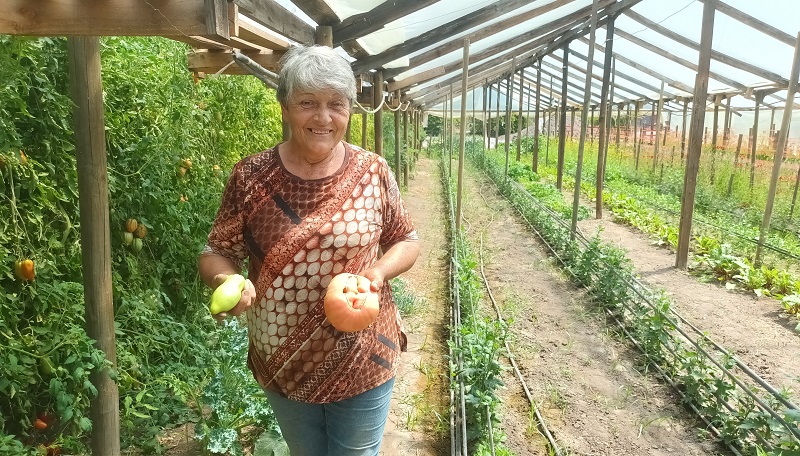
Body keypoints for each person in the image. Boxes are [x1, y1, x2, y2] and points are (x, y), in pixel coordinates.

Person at [198, 44, 420, 456]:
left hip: (363, 353)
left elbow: (406, 239)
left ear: (350, 110)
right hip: (282, 360)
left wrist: (378, 273)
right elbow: (216, 249)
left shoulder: (373, 171)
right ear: (284, 108)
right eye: (307, 103)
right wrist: (226, 278)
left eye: (336, 104)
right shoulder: (250, 176)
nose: (323, 117)